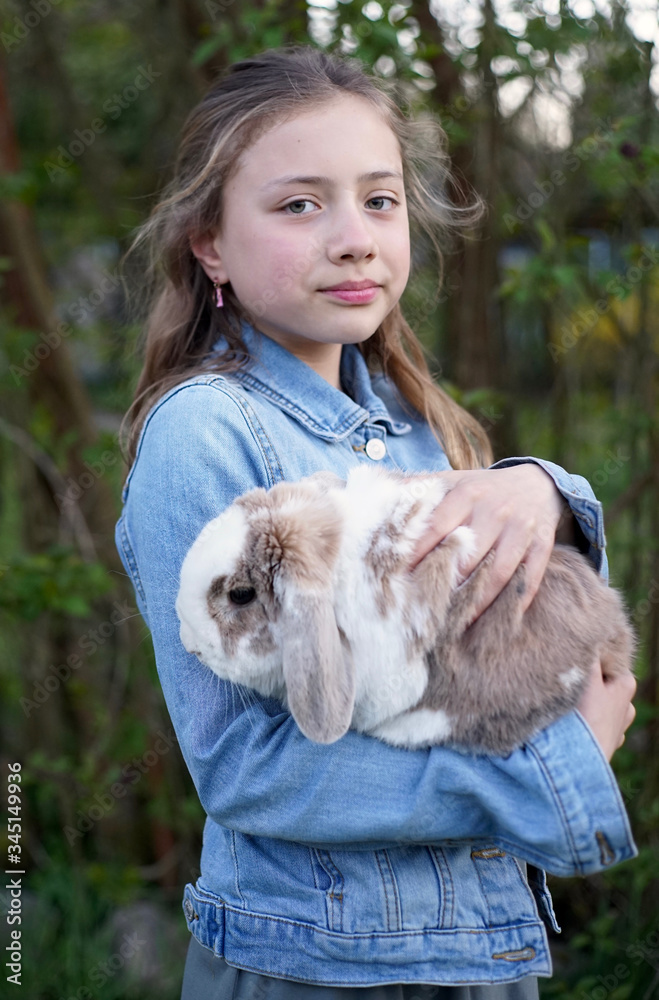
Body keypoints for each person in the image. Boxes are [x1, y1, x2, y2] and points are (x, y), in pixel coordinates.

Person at [114, 45, 637, 1000]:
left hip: (479, 955)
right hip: (321, 966)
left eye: (380, 200)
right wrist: (544, 776)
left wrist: (541, 488)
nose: (354, 238)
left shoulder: (407, 423)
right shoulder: (206, 434)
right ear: (209, 242)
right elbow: (246, 767)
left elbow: (482, 622)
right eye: (299, 204)